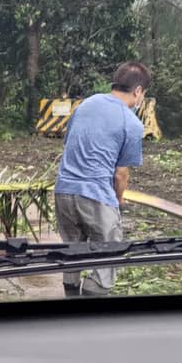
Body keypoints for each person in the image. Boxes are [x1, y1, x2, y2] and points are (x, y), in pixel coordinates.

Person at [54, 61, 149, 297]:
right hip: (96, 196)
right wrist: (118, 201)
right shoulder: (132, 123)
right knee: (108, 257)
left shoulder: (86, 104)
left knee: (73, 252)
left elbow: (70, 144)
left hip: (63, 191)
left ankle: (71, 301)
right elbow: (120, 174)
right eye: (143, 94)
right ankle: (91, 308)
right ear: (138, 91)